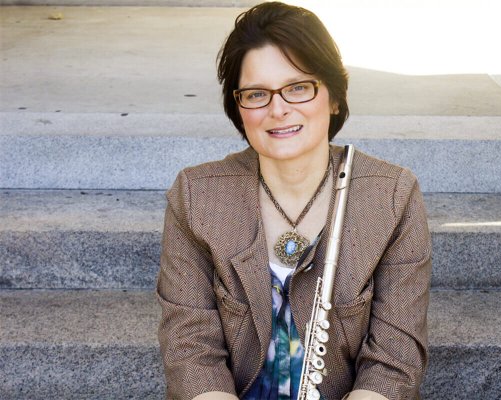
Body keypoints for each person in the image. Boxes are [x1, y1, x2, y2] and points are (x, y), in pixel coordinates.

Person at [156, 2, 432, 400]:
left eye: (298, 87)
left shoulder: (390, 196)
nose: (278, 109)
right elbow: (190, 352)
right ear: (238, 107)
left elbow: (395, 361)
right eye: (257, 94)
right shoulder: (198, 196)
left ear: (333, 97)